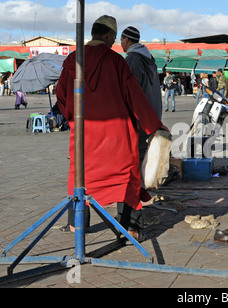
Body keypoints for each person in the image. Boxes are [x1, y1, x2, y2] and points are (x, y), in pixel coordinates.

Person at [56, 15, 167, 241]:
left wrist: (73, 119)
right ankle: (131, 228)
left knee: (80, 175)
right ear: (108, 35)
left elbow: (62, 96)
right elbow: (135, 97)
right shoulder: (117, 62)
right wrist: (155, 126)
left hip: (84, 134)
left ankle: (76, 225)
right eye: (114, 38)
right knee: (126, 177)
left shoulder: (72, 61)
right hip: (117, 135)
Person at [120, 25, 163, 190]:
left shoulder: (133, 58)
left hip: (141, 112)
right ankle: (146, 182)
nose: (121, 43)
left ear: (127, 39)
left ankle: (138, 186)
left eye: (121, 39)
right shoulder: (147, 56)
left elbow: (131, 88)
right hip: (152, 110)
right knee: (144, 148)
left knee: (137, 150)